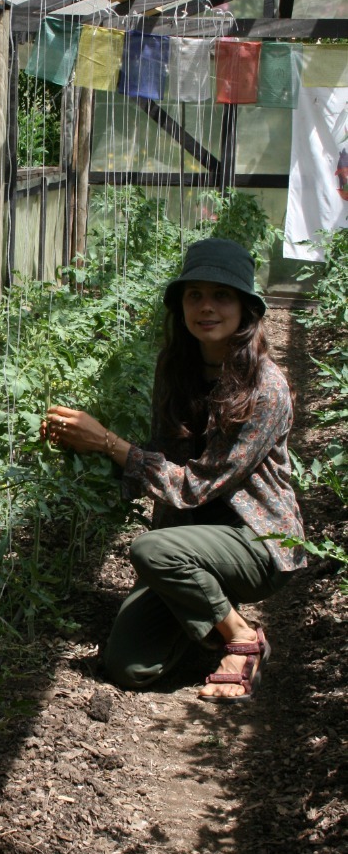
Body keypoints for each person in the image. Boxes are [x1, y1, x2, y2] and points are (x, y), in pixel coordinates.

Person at [41, 238, 306, 701]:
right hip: (189, 537)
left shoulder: (265, 388)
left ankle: (241, 637)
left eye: (222, 295)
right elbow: (165, 457)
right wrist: (79, 449)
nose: (206, 307)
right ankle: (207, 601)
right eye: (194, 295)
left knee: (153, 551)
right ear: (180, 305)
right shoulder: (175, 367)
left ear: (246, 308)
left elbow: (195, 485)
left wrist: (106, 442)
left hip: (257, 539)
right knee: (130, 667)